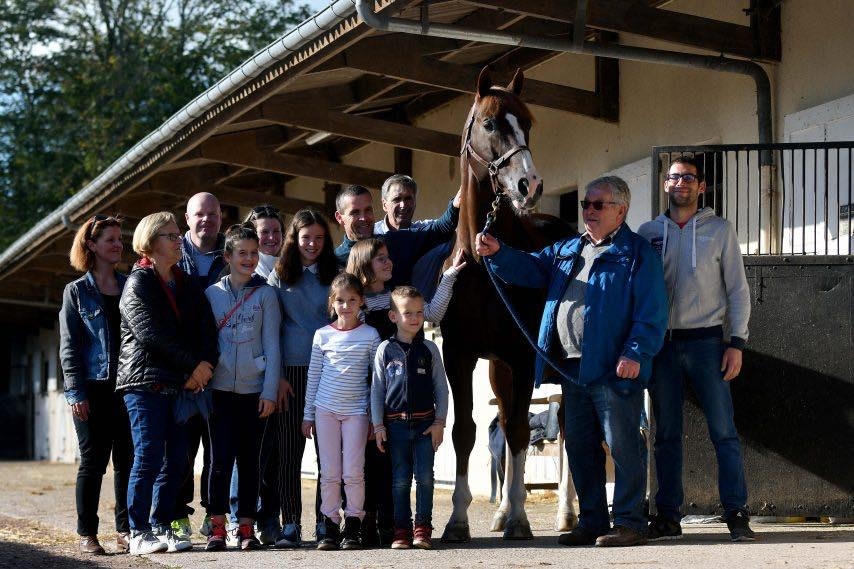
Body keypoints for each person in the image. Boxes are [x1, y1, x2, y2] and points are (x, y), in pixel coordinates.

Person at [476, 176, 668, 548]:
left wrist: (635, 352)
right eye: (586, 204)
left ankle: (630, 522)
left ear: (621, 210)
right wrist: (498, 251)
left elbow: (653, 312)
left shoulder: (638, 253)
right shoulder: (566, 249)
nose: (589, 211)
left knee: (623, 445)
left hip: (614, 367)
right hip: (571, 368)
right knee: (579, 447)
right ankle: (594, 521)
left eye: (599, 205)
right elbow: (530, 268)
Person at [638, 156, 755, 542]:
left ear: (701, 186)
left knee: (724, 431)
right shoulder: (648, 232)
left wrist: (736, 342)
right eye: (674, 177)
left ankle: (736, 513)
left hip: (707, 342)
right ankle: (668, 515)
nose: (680, 183)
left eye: (688, 177)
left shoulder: (720, 230)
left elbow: (738, 290)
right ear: (665, 184)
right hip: (663, 346)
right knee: (666, 434)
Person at [345, 238, 464, 545]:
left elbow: (432, 310)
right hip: (380, 404)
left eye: (388, 257)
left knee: (418, 476)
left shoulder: (404, 301)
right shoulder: (359, 306)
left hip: (421, 416)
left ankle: (413, 528)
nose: (389, 262)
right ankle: (378, 526)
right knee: (386, 473)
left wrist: (449, 275)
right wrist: (377, 420)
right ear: (364, 265)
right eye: (380, 258)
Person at [117, 212, 218, 555]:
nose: (179, 240)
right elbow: (151, 335)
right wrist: (193, 367)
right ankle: (137, 530)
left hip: (178, 383)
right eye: (171, 235)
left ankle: (160, 525)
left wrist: (207, 365)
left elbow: (206, 327)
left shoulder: (185, 283)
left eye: (178, 235)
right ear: (151, 241)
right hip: (144, 384)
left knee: (177, 460)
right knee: (147, 457)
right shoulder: (138, 282)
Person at [203, 225, 281, 551]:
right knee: (219, 461)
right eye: (242, 253)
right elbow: (205, 343)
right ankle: (217, 527)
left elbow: (273, 345)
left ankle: (246, 528)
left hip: (254, 393)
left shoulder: (266, 295)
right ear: (228, 257)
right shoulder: (211, 295)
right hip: (219, 391)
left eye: (254, 253)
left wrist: (269, 391)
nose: (249, 259)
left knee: (250, 463)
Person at [59, 215, 133, 555]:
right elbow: (69, 346)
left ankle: (125, 529)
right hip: (92, 387)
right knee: (93, 462)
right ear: (91, 245)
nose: (118, 244)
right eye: (110, 240)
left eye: (120, 239)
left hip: (128, 385)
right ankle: (87, 533)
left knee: (128, 461)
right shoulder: (76, 292)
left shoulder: (131, 284)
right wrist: (75, 391)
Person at [265, 209, 338, 548]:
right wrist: (276, 376)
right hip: (291, 373)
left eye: (319, 238)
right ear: (295, 239)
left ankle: (326, 524)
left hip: (329, 373)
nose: (313, 244)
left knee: (328, 454)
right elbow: (271, 332)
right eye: (306, 237)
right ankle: (290, 523)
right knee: (289, 454)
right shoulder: (278, 277)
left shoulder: (336, 274)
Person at [301, 273, 381, 551]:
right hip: (325, 411)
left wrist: (374, 417)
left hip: (357, 412)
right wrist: (308, 414)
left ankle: (354, 526)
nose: (345, 306)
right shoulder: (322, 335)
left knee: (354, 472)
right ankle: (330, 526)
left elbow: (376, 379)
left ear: (361, 302)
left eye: (351, 300)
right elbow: (313, 376)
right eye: (340, 301)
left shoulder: (371, 335)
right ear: (331, 303)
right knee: (330, 472)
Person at [371, 286, 450, 550]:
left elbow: (441, 388)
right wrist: (378, 425)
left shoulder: (429, 349)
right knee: (400, 479)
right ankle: (401, 530)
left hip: (426, 426)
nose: (415, 318)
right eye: (407, 313)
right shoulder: (385, 349)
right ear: (393, 316)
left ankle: (423, 529)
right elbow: (377, 390)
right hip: (395, 426)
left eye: (419, 312)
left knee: (426, 477)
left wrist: (440, 423)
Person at [173, 191, 224, 539]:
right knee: (179, 451)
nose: (206, 220)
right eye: (199, 214)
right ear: (187, 219)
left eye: (213, 214)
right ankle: (177, 517)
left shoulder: (232, 252)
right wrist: (189, 367)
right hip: (181, 373)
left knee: (218, 452)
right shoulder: (171, 256)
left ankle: (214, 516)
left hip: (221, 371)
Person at [333, 184, 460, 288]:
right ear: (339, 218)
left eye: (368, 210)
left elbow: (440, 230)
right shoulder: (335, 261)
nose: (364, 218)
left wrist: (455, 204)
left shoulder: (395, 242)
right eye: (355, 212)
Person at [244, 204, 284, 278]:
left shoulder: (294, 269)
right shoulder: (239, 270)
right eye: (264, 232)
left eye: (276, 231)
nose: (271, 237)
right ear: (252, 234)